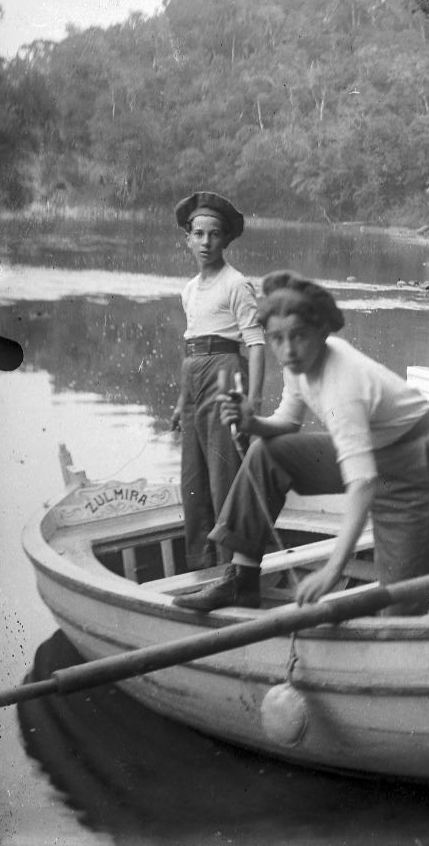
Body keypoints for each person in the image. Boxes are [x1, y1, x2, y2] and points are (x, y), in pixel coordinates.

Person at [173, 271, 429, 616]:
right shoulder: (297, 363)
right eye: (276, 338)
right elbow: (288, 421)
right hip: (372, 450)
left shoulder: (342, 386)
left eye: (298, 336)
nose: (287, 349)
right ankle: (240, 580)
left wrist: (332, 570)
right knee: (266, 453)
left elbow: (363, 483)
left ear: (322, 332)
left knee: (400, 606)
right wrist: (251, 423)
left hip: (416, 463)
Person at [172, 191, 265, 572]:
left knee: (223, 477)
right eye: (199, 234)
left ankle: (231, 570)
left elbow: (257, 346)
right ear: (188, 239)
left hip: (226, 373)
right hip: (193, 375)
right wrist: (181, 402)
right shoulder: (189, 290)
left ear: (226, 240)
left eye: (214, 235)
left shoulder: (237, 284)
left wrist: (253, 403)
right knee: (192, 480)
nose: (206, 242)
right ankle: (200, 567)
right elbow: (191, 349)